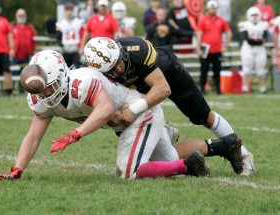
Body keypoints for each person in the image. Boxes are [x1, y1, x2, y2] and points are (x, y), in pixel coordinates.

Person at [0, 50, 212, 181]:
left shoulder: (82, 82)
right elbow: (33, 137)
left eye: (49, 87)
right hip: (123, 124)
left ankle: (188, 164)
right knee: (169, 161)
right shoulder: (41, 98)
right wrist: (17, 169)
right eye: (41, 91)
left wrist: (75, 134)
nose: (46, 94)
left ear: (61, 74)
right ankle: (218, 147)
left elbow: (105, 110)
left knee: (128, 172)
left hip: (138, 114)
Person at [83, 36, 255, 176]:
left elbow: (162, 89)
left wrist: (133, 110)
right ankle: (163, 131)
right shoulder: (96, 74)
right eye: (112, 70)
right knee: (155, 155)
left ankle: (242, 153)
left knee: (202, 116)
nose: (119, 70)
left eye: (118, 62)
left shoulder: (136, 49)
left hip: (167, 73)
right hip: (137, 90)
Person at [196, 0, 232, 95]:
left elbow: (228, 31)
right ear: (207, 8)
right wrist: (198, 48)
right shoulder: (203, 20)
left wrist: (226, 45)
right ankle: (202, 90)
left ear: (216, 8)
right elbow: (199, 34)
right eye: (211, 7)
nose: (212, 9)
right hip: (205, 49)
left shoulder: (221, 20)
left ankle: (218, 90)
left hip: (217, 50)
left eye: (214, 8)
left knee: (217, 71)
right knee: (204, 70)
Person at [239, 7, 268, 94]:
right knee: (246, 69)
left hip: (260, 50)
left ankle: (262, 89)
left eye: (256, 15)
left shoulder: (264, 24)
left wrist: (258, 41)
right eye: (253, 15)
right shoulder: (245, 24)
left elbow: (265, 38)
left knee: (261, 69)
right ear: (249, 16)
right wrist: (259, 41)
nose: (255, 17)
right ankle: (244, 88)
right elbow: (247, 39)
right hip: (248, 49)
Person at [12, 8, 37, 94]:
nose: (21, 17)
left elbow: (35, 40)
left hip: (26, 55)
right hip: (15, 55)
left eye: (23, 15)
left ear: (25, 16)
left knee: (25, 74)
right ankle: (11, 91)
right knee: (14, 73)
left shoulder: (30, 27)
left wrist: (33, 50)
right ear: (16, 16)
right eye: (20, 15)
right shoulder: (12, 27)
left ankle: (22, 90)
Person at [56, 3, 84, 69]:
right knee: (65, 70)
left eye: (70, 10)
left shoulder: (78, 22)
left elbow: (82, 36)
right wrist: (61, 45)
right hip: (66, 51)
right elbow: (59, 37)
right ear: (65, 11)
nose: (69, 12)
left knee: (78, 69)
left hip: (76, 51)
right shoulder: (61, 24)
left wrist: (81, 47)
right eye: (67, 10)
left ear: (73, 11)